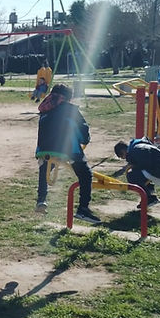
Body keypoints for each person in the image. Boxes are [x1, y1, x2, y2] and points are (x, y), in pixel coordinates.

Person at [34, 84, 98, 223]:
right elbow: (83, 132)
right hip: (67, 149)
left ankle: (41, 200)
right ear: (69, 98)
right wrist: (84, 140)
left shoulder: (45, 108)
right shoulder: (70, 109)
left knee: (45, 167)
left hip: (44, 150)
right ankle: (83, 209)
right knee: (86, 175)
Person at [114, 138, 160, 208]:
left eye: (122, 156)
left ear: (123, 151)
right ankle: (149, 189)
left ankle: (149, 198)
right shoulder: (138, 146)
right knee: (136, 173)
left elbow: (145, 163)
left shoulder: (136, 150)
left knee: (131, 176)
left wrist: (134, 166)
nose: (124, 158)